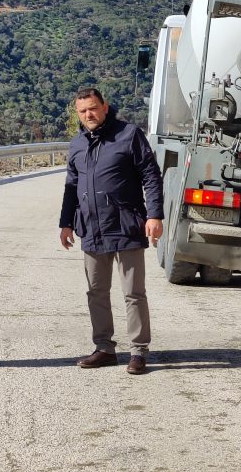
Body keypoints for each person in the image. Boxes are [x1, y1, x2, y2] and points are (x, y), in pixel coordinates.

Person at [59, 87, 163, 375]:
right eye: (83, 111)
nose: (88, 114)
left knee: (133, 293)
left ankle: (138, 351)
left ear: (104, 107)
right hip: (91, 228)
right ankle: (104, 348)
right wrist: (66, 223)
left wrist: (154, 214)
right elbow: (71, 187)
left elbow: (151, 176)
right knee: (96, 292)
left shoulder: (129, 135)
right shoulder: (77, 143)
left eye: (93, 108)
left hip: (126, 226)